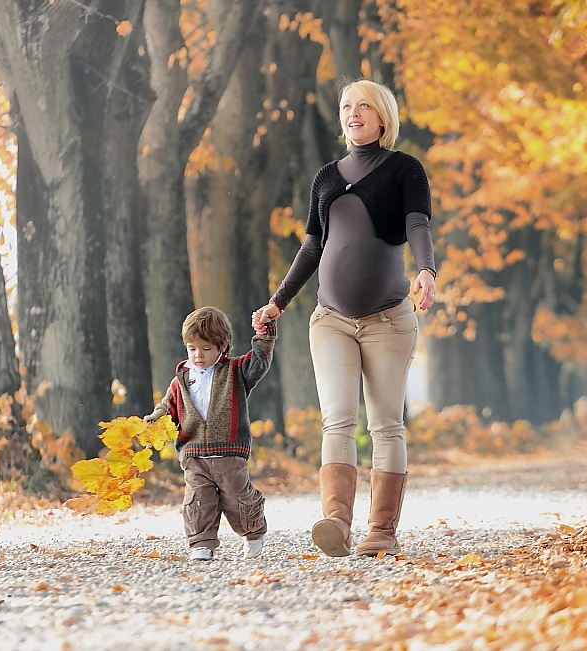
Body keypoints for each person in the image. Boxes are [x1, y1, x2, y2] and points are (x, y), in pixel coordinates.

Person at [252, 79, 436, 558]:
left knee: (385, 425)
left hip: (389, 321)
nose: (353, 113)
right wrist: (278, 301)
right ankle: (336, 521)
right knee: (336, 420)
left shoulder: (404, 169)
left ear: (382, 117)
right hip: (330, 319)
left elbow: (417, 224)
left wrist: (427, 270)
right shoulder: (326, 176)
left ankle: (382, 532)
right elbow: (313, 245)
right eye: (346, 106)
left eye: (363, 106)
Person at [145, 306, 277, 561]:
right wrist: (156, 419)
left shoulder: (235, 371)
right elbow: (167, 406)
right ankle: (201, 544)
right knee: (198, 500)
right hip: (193, 453)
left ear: (222, 346)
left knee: (237, 498)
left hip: (228, 452)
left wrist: (265, 335)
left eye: (206, 349)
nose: (198, 356)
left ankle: (253, 532)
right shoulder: (181, 380)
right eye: (192, 349)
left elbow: (259, 362)